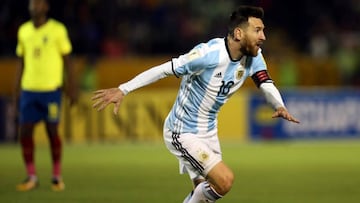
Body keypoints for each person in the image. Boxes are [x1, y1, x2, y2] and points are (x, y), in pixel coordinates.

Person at [92, 5, 300, 203]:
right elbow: (164, 69)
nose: (263, 36)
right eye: (258, 30)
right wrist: (124, 89)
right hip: (182, 131)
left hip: (208, 131)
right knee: (224, 181)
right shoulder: (207, 55)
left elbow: (265, 82)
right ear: (238, 33)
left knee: (205, 193)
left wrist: (278, 105)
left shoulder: (254, 56)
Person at [14, 0, 77, 192]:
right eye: (32, 3)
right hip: (29, 90)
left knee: (52, 131)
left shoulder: (58, 30)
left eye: (38, 3)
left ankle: (56, 176)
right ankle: (31, 176)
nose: (34, 6)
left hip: (51, 91)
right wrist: (16, 91)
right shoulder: (23, 31)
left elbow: (68, 61)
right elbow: (21, 63)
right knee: (24, 132)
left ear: (46, 7)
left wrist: (71, 87)